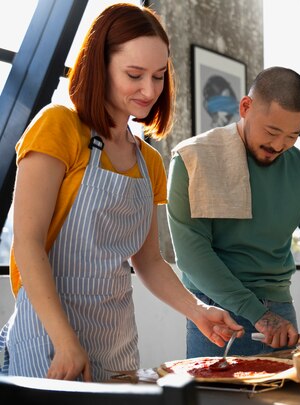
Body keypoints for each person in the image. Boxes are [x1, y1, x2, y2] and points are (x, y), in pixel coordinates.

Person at [0, 4, 242, 382]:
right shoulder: (58, 126)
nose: (149, 90)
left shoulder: (148, 161)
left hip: (116, 342)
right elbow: (27, 245)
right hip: (50, 340)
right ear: (100, 65)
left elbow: (148, 261)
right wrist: (65, 342)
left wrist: (197, 310)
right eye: (134, 74)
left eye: (159, 76)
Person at [167, 66, 300, 357]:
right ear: (245, 107)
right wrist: (255, 312)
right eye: (272, 131)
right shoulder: (192, 159)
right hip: (217, 314)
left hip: (280, 309)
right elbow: (192, 255)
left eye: (292, 136)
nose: (278, 146)